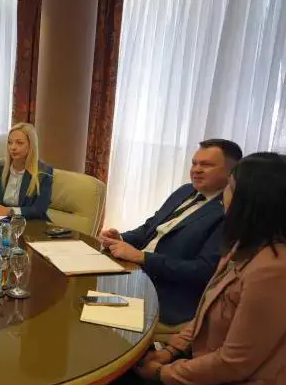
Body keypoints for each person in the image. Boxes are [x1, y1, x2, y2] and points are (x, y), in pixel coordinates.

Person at [88, 152, 286, 385]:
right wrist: (170, 351)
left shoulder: (273, 271)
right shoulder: (242, 249)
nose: (225, 197)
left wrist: (164, 372)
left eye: (231, 188)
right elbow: (205, 313)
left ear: (252, 201)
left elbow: (234, 364)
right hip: (206, 368)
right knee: (115, 376)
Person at [99, 139, 242, 326]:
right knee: (78, 287)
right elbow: (150, 228)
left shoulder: (228, 212)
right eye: (194, 163)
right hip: (133, 272)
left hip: (165, 293)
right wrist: (120, 238)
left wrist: (143, 258)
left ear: (231, 172)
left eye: (206, 165)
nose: (196, 170)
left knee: (91, 314)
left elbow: (202, 271)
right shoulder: (185, 191)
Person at [0, 123, 53, 220]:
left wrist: (10, 211)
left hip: (29, 224)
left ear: (31, 146)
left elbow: (39, 210)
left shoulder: (43, 172)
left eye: (19, 143)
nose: (13, 147)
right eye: (10, 142)